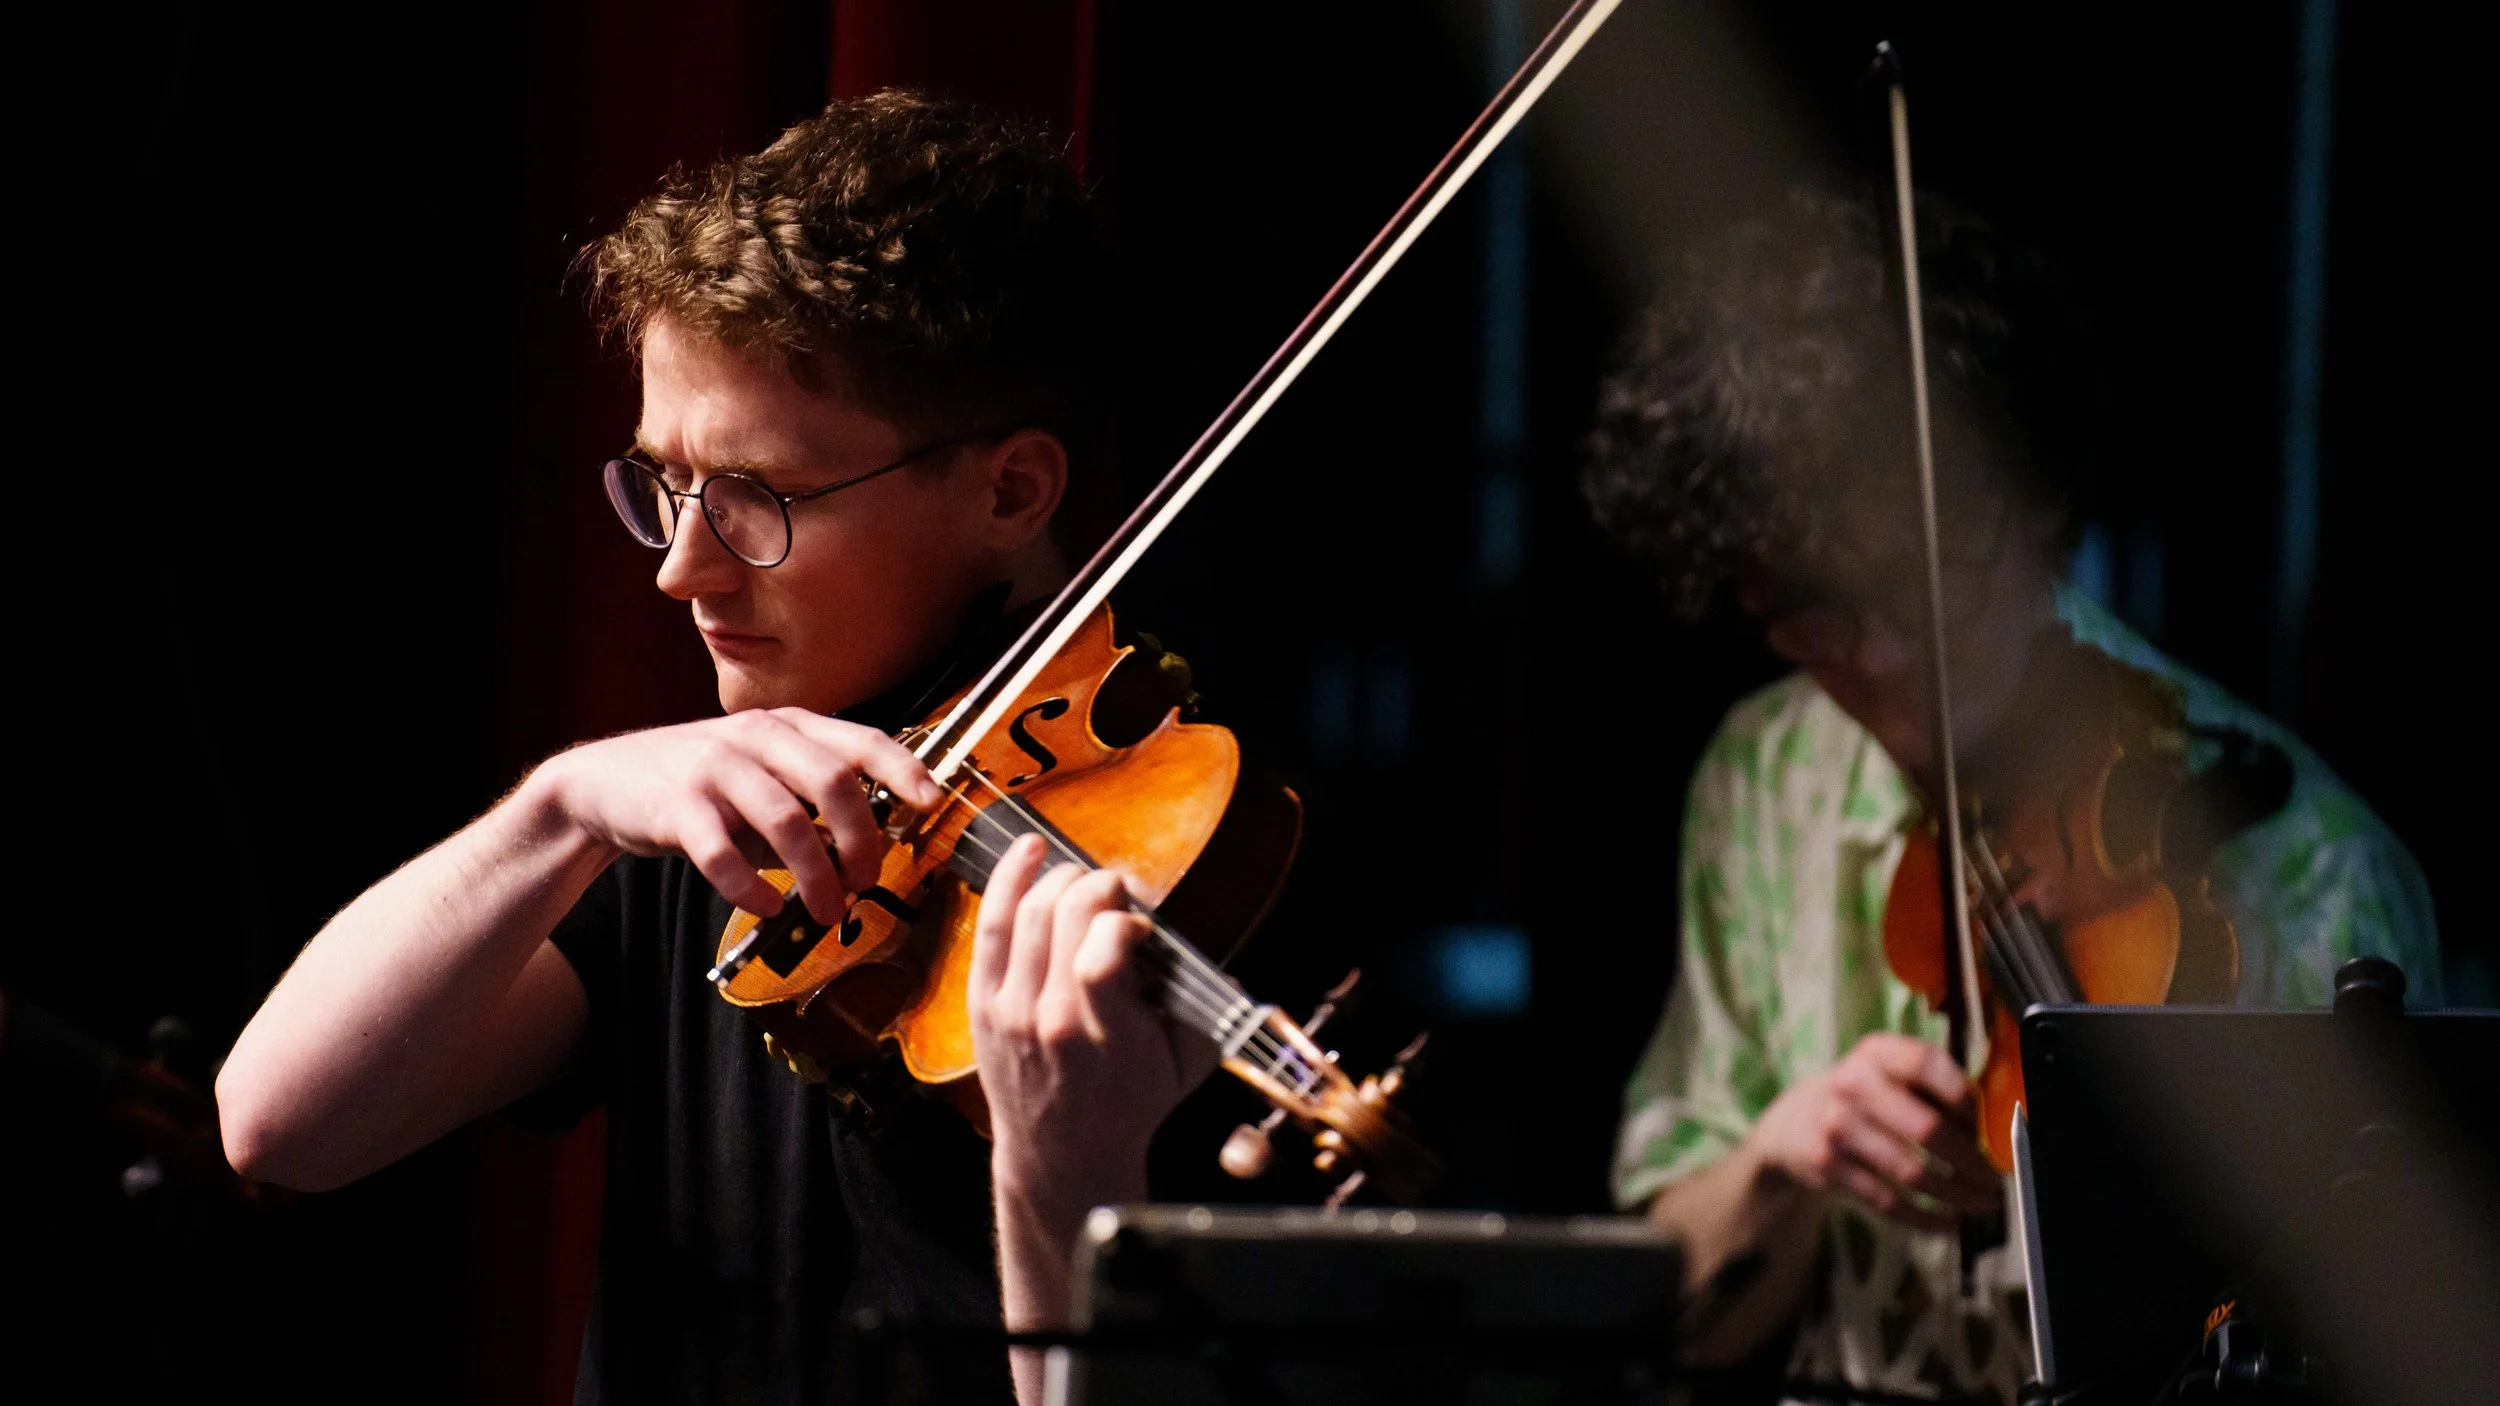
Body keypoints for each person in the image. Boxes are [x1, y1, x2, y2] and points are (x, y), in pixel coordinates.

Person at [216, 92, 1207, 1406]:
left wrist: (1065, 1166)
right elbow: (285, 1123)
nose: (683, 569)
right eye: (666, 485)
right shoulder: (720, 816)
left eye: (757, 498)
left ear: (1010, 489)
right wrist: (558, 809)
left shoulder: (1176, 851)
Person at [1582, 188, 2440, 1404]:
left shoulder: (2310, 863)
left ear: (2036, 507)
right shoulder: (1759, 780)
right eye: (1808, 600)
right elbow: (1680, 1323)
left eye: (1922, 575)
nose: (1878, 654)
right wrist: (1779, 1155)